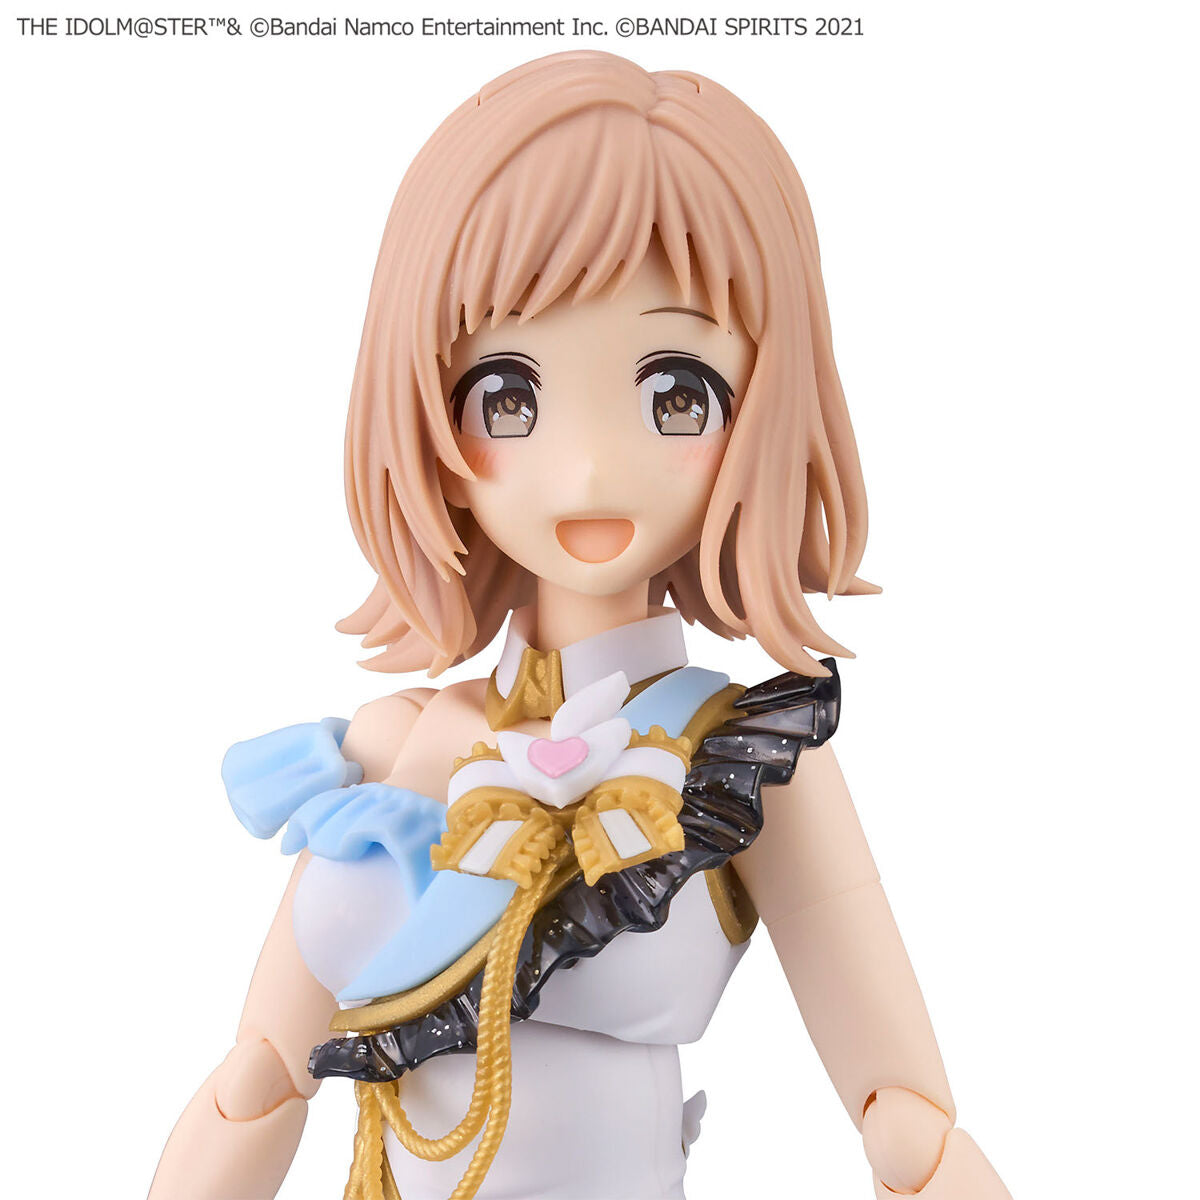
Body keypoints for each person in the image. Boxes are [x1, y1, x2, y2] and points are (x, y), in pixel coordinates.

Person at [150, 50, 1011, 1200]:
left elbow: (904, 1118)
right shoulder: (398, 742)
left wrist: (933, 1160)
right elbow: (258, 1079)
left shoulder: (742, 761)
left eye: (676, 396)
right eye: (508, 396)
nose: (592, 467)